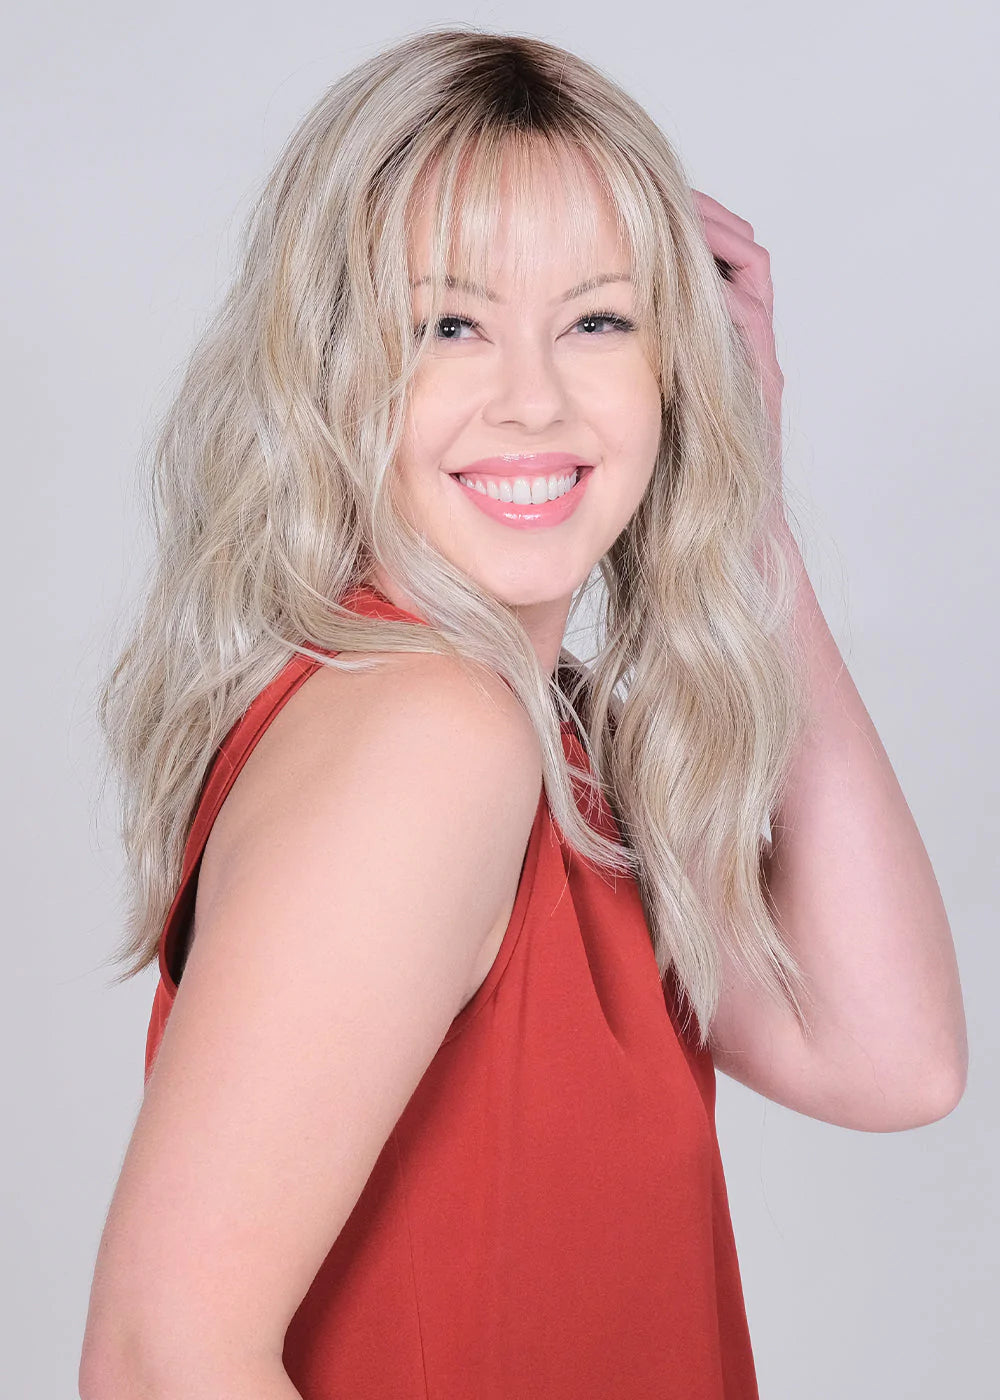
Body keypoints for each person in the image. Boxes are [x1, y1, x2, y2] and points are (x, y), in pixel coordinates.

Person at [78, 26, 967, 1400]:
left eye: (599, 320)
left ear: (679, 365)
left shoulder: (543, 736)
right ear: (331, 363)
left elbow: (891, 1057)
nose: (535, 399)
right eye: (449, 324)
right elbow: (159, 1361)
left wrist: (747, 509)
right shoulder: (431, 736)